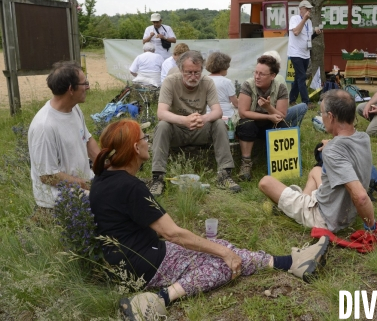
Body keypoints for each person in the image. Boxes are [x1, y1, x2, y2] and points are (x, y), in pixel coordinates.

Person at [89, 120, 330, 321]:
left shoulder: (102, 179)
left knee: (221, 247)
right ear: (134, 147)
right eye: (145, 137)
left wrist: (219, 248)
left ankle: (288, 262)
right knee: (222, 261)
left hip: (127, 260)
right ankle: (157, 300)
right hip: (145, 263)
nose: (148, 141)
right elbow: (173, 234)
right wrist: (222, 252)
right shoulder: (131, 187)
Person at [258, 89, 376, 233]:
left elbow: (361, 197)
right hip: (348, 212)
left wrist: (371, 228)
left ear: (331, 116)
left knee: (265, 182)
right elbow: (346, 150)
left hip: (324, 219)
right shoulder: (364, 138)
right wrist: (332, 144)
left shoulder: (332, 151)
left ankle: (298, 205)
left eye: (322, 113)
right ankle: (303, 199)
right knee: (316, 171)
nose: (322, 117)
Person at [149, 50, 241, 194]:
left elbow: (218, 111)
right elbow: (161, 113)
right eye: (188, 72)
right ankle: (158, 178)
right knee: (162, 126)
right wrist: (184, 120)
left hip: (199, 128)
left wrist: (204, 118)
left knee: (218, 124)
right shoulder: (170, 82)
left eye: (197, 72)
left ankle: (224, 175)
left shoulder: (207, 82)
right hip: (177, 130)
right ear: (181, 70)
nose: (193, 77)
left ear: (202, 70)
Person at [28, 61, 100, 210]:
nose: (88, 87)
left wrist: (105, 166)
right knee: (113, 204)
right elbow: (47, 176)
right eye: (84, 83)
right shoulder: (44, 126)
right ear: (70, 89)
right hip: (60, 195)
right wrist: (86, 185)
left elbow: (87, 141)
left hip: (84, 182)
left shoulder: (74, 109)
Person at [236, 55, 289, 181]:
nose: (257, 77)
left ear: (273, 75)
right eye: (256, 72)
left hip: (269, 125)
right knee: (246, 124)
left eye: (261, 74)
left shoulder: (281, 87)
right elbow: (243, 112)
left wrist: (269, 107)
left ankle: (281, 165)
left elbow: (281, 115)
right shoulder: (248, 85)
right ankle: (246, 163)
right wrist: (269, 116)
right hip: (252, 123)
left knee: (283, 126)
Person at [288, 0, 322, 106]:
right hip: (295, 53)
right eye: (306, 8)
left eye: (310, 9)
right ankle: (306, 102)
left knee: (298, 77)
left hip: (305, 53)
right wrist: (304, 19)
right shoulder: (294, 19)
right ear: (300, 9)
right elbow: (296, 32)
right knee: (302, 77)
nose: (309, 11)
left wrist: (316, 34)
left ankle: (292, 99)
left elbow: (307, 38)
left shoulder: (309, 22)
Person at [262, 50, 308, 128]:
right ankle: (291, 130)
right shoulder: (279, 78)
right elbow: (285, 106)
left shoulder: (257, 76)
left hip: (259, 115)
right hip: (276, 115)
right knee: (303, 106)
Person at [205, 51, 238, 119]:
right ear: (224, 67)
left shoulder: (204, 80)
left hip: (207, 115)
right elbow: (236, 103)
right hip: (226, 115)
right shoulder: (227, 82)